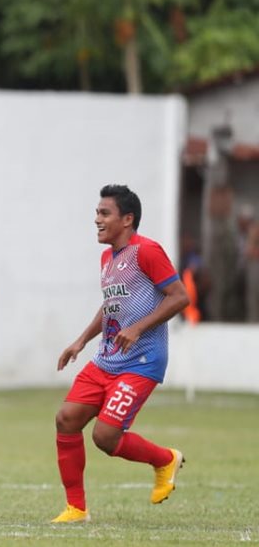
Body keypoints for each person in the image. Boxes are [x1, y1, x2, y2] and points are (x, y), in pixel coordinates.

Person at [52, 184, 189, 523]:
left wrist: (139, 327)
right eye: (97, 213)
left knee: (105, 436)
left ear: (127, 219)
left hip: (141, 361)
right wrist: (81, 340)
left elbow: (179, 296)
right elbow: (113, 305)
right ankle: (76, 508)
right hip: (106, 359)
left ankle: (164, 459)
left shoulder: (148, 251)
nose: (96, 219)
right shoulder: (107, 258)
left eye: (104, 213)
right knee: (66, 419)